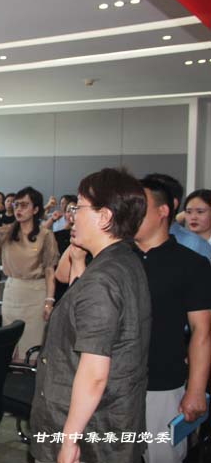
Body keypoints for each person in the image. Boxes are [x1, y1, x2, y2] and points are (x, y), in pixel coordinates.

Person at [30, 167, 151, 463]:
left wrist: (69, 441)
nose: (72, 216)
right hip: (112, 419)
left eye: (79, 207)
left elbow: (94, 373)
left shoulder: (102, 279)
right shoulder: (123, 261)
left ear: (105, 217)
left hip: (90, 430)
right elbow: (84, 313)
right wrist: (78, 260)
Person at [134, 177, 211, 463]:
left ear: (163, 211)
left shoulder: (191, 264)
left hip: (163, 384)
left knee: (161, 454)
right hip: (115, 384)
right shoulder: (117, 260)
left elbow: (202, 331)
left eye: (139, 206)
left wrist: (196, 390)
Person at [0, 187, 59, 360]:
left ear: (35, 209)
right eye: (16, 205)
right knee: (9, 346)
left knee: (32, 348)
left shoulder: (45, 235)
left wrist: (49, 301)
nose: (18, 209)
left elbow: (50, 271)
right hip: (12, 291)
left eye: (24, 205)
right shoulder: (7, 231)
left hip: (36, 293)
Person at [143, 173, 211, 260]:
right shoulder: (133, 241)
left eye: (200, 212)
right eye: (188, 212)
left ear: (172, 204)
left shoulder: (195, 245)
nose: (140, 207)